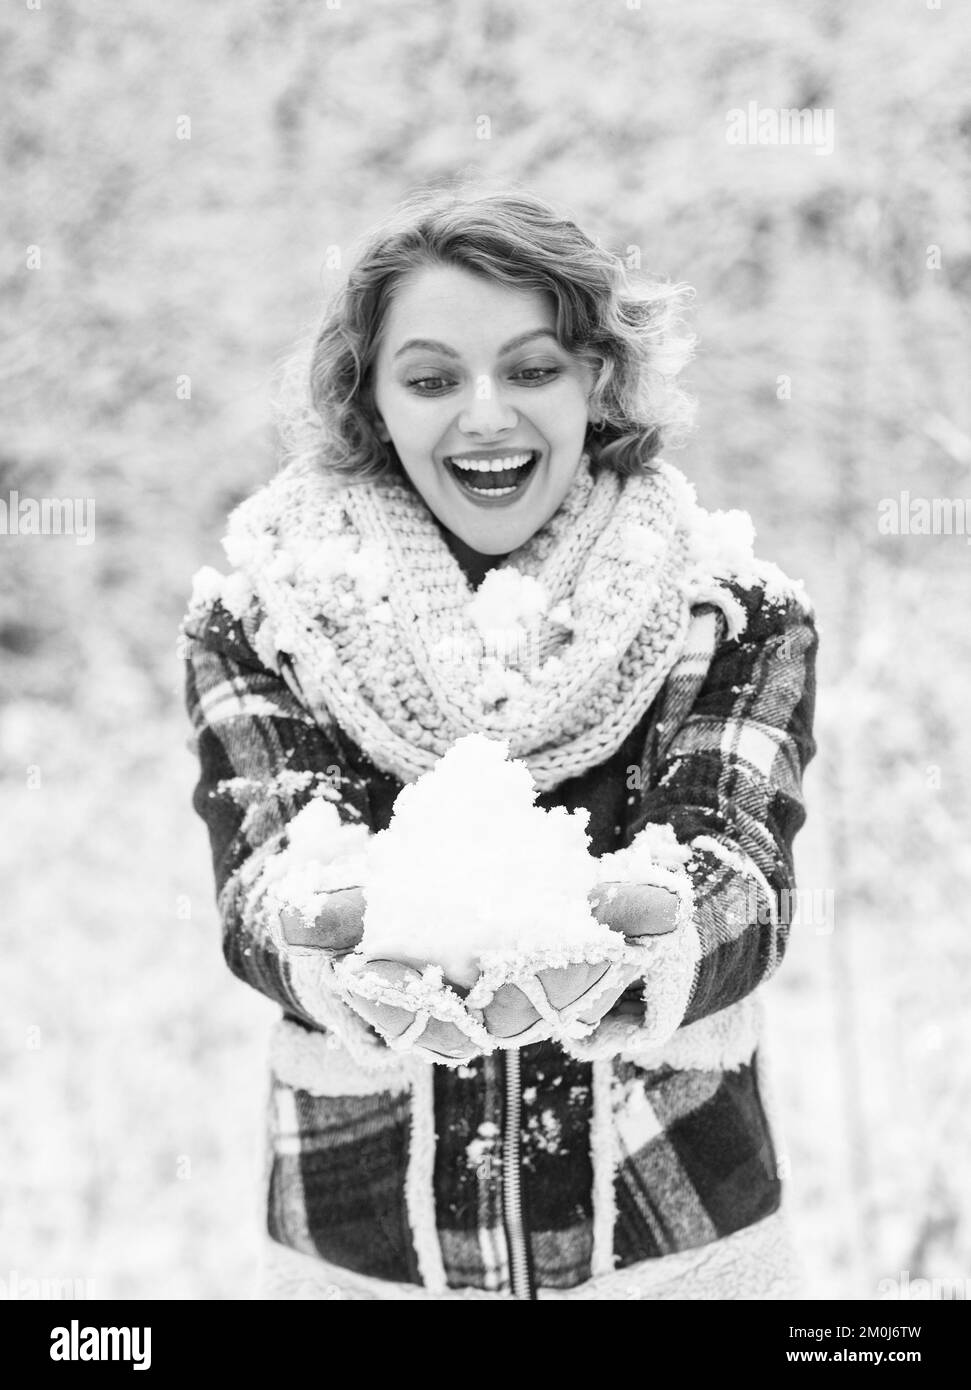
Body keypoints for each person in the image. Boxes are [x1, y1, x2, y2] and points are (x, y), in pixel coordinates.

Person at [180, 185, 818, 1300]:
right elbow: (271, 867)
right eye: (430, 378)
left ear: (595, 381)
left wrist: (654, 930)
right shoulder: (267, 617)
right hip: (365, 1248)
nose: (484, 414)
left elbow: (736, 863)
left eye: (531, 369)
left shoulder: (727, 611)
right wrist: (321, 934)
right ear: (372, 401)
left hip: (673, 1242)